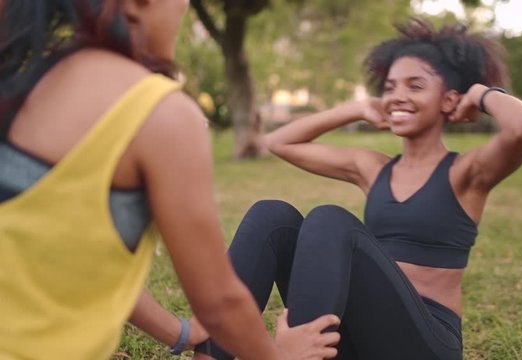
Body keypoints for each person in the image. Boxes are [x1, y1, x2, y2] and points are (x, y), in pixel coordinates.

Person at [0, 1, 339, 359]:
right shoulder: (160, 114)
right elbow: (219, 302)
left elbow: (80, 259)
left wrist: (182, 333)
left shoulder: (24, 83)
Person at [193, 18, 522, 359]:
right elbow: (279, 142)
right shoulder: (374, 169)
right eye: (390, 87)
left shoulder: (465, 173)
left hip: (425, 343)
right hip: (358, 335)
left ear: (449, 101)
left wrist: (480, 94)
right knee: (272, 215)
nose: (397, 96)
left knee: (330, 220)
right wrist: (356, 108)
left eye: (415, 86)